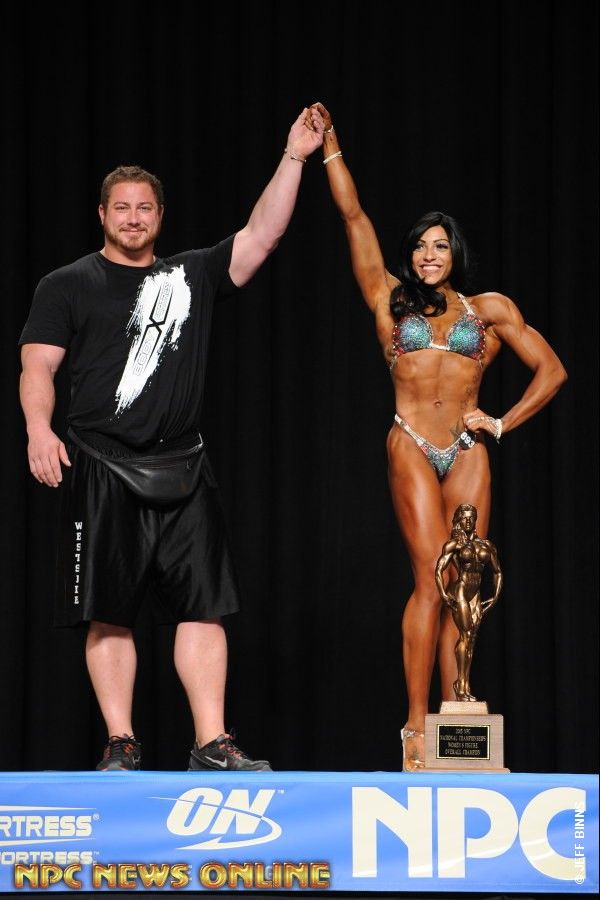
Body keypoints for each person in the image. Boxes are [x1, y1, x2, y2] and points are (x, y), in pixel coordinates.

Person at [19, 106, 324, 772]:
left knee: (204, 607)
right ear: (102, 215)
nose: (133, 218)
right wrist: (39, 429)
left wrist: (294, 157)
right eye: (121, 208)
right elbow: (37, 367)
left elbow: (263, 234)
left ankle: (211, 743)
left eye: (145, 208)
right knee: (108, 613)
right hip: (100, 463)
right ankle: (121, 742)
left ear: (160, 215)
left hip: (184, 466)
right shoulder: (65, 285)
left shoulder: (191, 275)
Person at [311, 101, 567, 771]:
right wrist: (330, 145)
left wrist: (502, 421)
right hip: (410, 442)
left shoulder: (488, 310)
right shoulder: (388, 297)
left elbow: (553, 370)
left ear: (455, 253)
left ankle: (458, 712)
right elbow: (354, 218)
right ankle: (415, 725)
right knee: (430, 579)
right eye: (420, 246)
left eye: (440, 245)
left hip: (467, 449)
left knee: (464, 584)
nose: (428, 255)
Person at [435, 504, 502, 702]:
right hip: (461, 592)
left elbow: (497, 572)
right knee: (465, 636)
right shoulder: (454, 544)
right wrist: (444, 595)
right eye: (464, 518)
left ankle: (461, 683)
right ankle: (462, 685)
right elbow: (439, 569)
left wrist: (495, 596)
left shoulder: (486, 545)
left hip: (476, 595)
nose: (468, 521)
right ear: (458, 520)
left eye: (471, 517)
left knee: (471, 640)